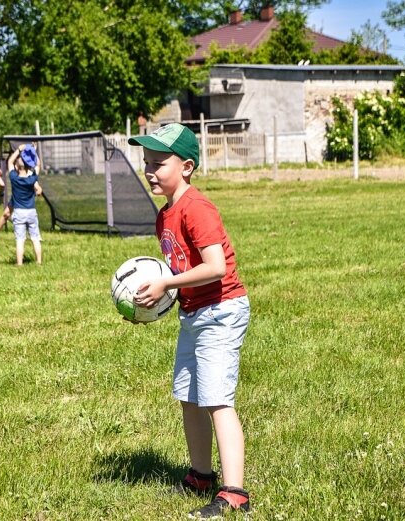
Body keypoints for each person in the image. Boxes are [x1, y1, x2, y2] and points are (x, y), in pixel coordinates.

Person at [128, 123, 251, 518]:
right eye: (146, 161)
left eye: (159, 162)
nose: (149, 169)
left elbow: (214, 268)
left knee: (217, 399)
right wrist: (152, 302)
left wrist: (165, 280)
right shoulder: (164, 216)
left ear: (187, 167)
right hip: (193, 312)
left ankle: (234, 492)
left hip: (221, 310)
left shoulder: (196, 207)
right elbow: (180, 270)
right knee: (189, 397)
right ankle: (201, 474)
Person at [7, 143, 43, 265]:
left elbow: (10, 162)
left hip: (19, 212)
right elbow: (38, 165)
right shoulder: (32, 178)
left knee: (20, 240)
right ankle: (38, 262)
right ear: (29, 166)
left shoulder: (14, 178)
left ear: (17, 167)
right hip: (31, 211)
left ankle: (19, 263)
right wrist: (33, 152)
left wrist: (19, 149)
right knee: (35, 238)